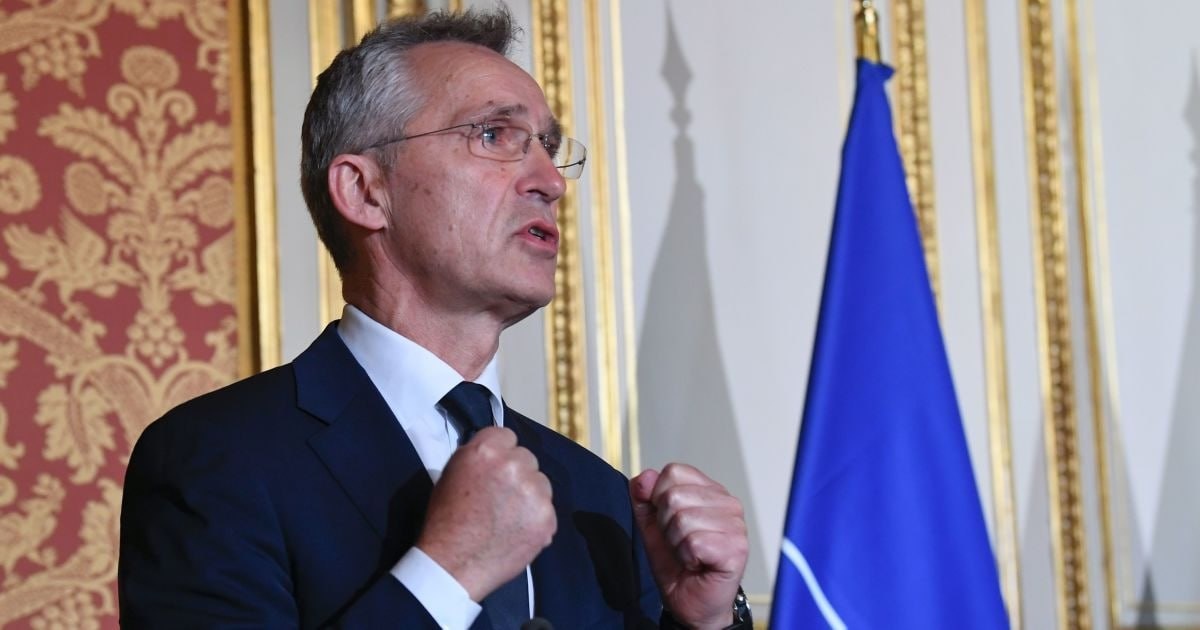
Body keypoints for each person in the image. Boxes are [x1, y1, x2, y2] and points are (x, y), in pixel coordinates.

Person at [118, 8, 750, 629]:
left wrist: (704, 622)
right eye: (494, 135)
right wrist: (447, 574)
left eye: (548, 147)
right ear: (365, 191)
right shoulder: (217, 459)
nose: (551, 182)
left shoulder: (599, 500)